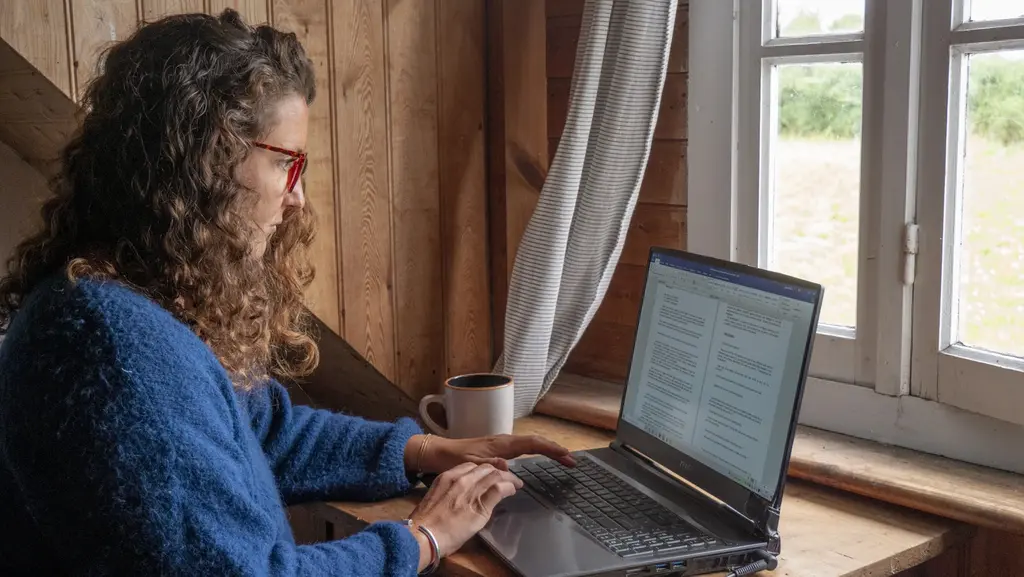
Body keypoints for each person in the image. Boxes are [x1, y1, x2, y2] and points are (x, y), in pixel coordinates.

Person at [0, 9, 575, 576]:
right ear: (205, 160)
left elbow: (263, 429)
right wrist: (423, 536)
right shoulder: (115, 352)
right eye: (286, 163)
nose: (296, 198)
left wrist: (426, 452)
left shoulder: (121, 303)